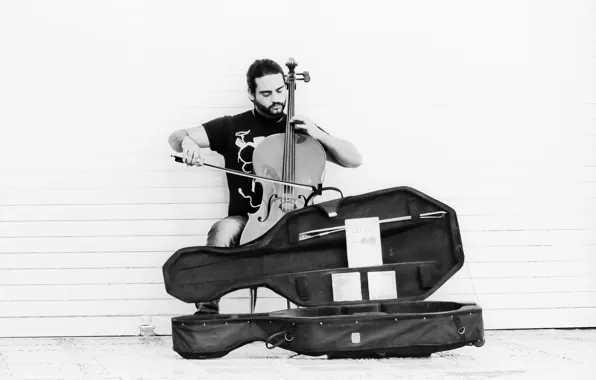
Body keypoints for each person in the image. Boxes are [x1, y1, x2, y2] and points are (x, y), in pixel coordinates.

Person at [168, 58, 363, 314]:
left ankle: (327, 314)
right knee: (221, 230)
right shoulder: (231, 127)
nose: (276, 98)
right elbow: (176, 136)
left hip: (297, 218)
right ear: (251, 94)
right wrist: (188, 144)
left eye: (280, 90)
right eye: (267, 93)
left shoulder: (301, 131)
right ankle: (208, 311)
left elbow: (354, 160)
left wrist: (319, 134)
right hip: (249, 219)